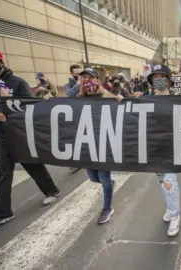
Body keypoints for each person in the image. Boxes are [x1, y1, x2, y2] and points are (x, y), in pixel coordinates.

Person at [0, 47, 61, 231]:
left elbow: (29, 108)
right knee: (3, 172)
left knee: (32, 164)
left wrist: (10, 109)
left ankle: (51, 190)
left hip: (19, 133)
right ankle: (1, 213)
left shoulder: (17, 83)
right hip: (1, 135)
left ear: (1, 62)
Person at [76, 67, 123, 224]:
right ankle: (109, 183)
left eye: (90, 77)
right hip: (87, 143)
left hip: (104, 142)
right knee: (93, 177)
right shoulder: (78, 96)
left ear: (96, 80)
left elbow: (119, 104)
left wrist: (118, 98)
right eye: (83, 77)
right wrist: (49, 97)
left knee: (103, 177)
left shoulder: (105, 95)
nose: (86, 80)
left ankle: (107, 208)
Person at [147, 64, 181, 237]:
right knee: (163, 182)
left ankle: (175, 215)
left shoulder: (179, 100)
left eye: (162, 76)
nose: (158, 80)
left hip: (172, 149)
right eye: (155, 77)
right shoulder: (144, 100)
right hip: (154, 149)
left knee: (169, 182)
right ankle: (170, 207)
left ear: (169, 80)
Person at [64, 64, 83, 174]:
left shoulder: (89, 82)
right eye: (77, 74)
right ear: (71, 74)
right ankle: (74, 162)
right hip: (75, 115)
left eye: (81, 73)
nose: (80, 76)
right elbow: (69, 96)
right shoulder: (68, 85)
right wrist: (78, 84)